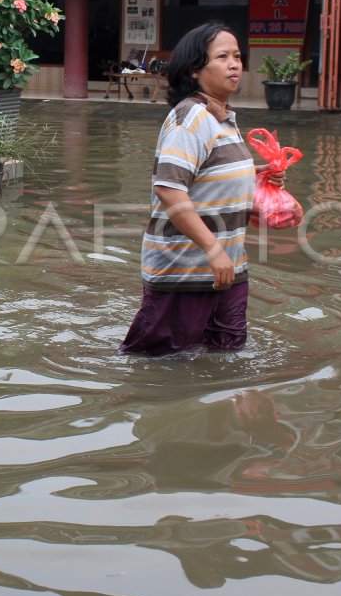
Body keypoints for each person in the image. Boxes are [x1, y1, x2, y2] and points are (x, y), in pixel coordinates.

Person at [120, 21, 285, 356]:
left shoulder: (223, 118)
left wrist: (257, 176)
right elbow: (170, 190)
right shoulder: (190, 119)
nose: (234, 64)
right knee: (157, 366)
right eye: (222, 56)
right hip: (185, 271)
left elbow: (208, 176)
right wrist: (212, 249)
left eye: (237, 56)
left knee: (226, 358)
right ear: (194, 70)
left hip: (229, 268)